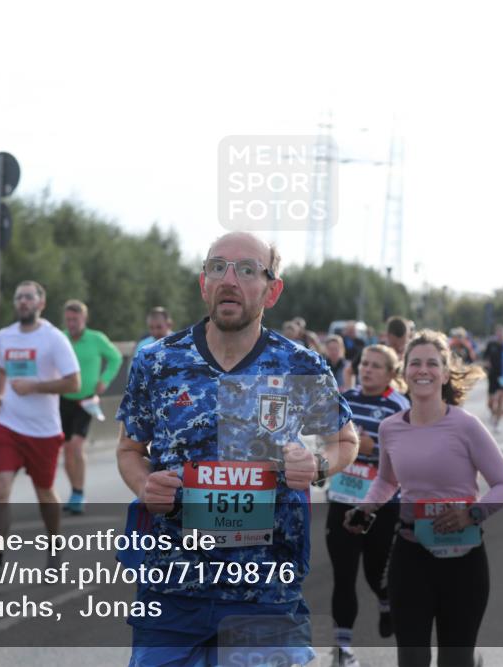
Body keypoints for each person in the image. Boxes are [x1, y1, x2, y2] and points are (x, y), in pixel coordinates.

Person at [116, 232, 358, 667]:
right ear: (203, 283)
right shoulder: (158, 362)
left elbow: (346, 440)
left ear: (273, 289)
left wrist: (319, 464)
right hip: (172, 592)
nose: (230, 279)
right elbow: (130, 449)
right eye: (217, 267)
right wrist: (145, 483)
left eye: (247, 270)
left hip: (265, 592)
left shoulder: (300, 365)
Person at [345, 330, 503, 667]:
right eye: (416, 363)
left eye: (432, 364)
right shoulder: (391, 428)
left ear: (445, 372)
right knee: (412, 659)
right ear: (404, 372)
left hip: (463, 561)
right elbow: (386, 480)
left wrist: (473, 515)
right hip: (410, 557)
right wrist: (365, 508)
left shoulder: (465, 426)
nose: (423, 370)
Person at [0, 281, 80, 573]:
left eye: (29, 297)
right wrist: (0, 395)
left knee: (44, 492)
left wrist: (35, 386)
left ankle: (54, 546)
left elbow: (73, 382)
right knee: (0, 488)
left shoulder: (54, 339)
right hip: (8, 424)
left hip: (43, 430)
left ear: (41, 303)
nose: (23, 301)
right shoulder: (4, 336)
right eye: (18, 297)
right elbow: (3, 369)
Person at [329, 344, 410, 666]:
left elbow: (406, 462)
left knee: (376, 573)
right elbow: (325, 440)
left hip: (382, 505)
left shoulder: (399, 406)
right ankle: (342, 650)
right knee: (344, 576)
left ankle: (386, 600)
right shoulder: (345, 398)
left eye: (377, 366)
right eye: (364, 364)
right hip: (343, 501)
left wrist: (373, 447)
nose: (368, 370)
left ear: (391, 373)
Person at [59, 299, 123, 514]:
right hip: (62, 400)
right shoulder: (61, 338)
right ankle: (75, 490)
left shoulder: (96, 339)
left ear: (84, 319)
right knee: (66, 450)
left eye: (75, 319)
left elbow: (115, 358)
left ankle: (79, 493)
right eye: (68, 319)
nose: (71, 323)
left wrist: (104, 379)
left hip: (85, 401)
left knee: (76, 446)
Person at [481, 324, 503, 433]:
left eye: (502, 333)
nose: (500, 335)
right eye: (498, 333)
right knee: (490, 402)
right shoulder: (491, 344)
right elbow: (485, 357)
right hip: (493, 376)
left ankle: (497, 422)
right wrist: (486, 363)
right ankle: (494, 413)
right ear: (496, 334)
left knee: (501, 400)